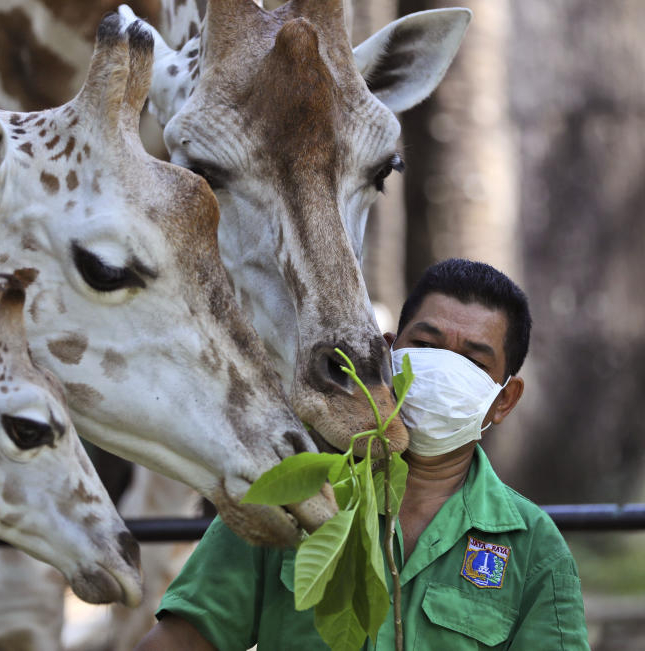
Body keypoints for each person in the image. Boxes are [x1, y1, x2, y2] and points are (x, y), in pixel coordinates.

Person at [134, 259, 589, 650]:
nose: (444, 369)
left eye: (473, 361)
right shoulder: (297, 493)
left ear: (503, 400)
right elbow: (184, 639)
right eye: (427, 347)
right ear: (387, 353)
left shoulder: (533, 547)